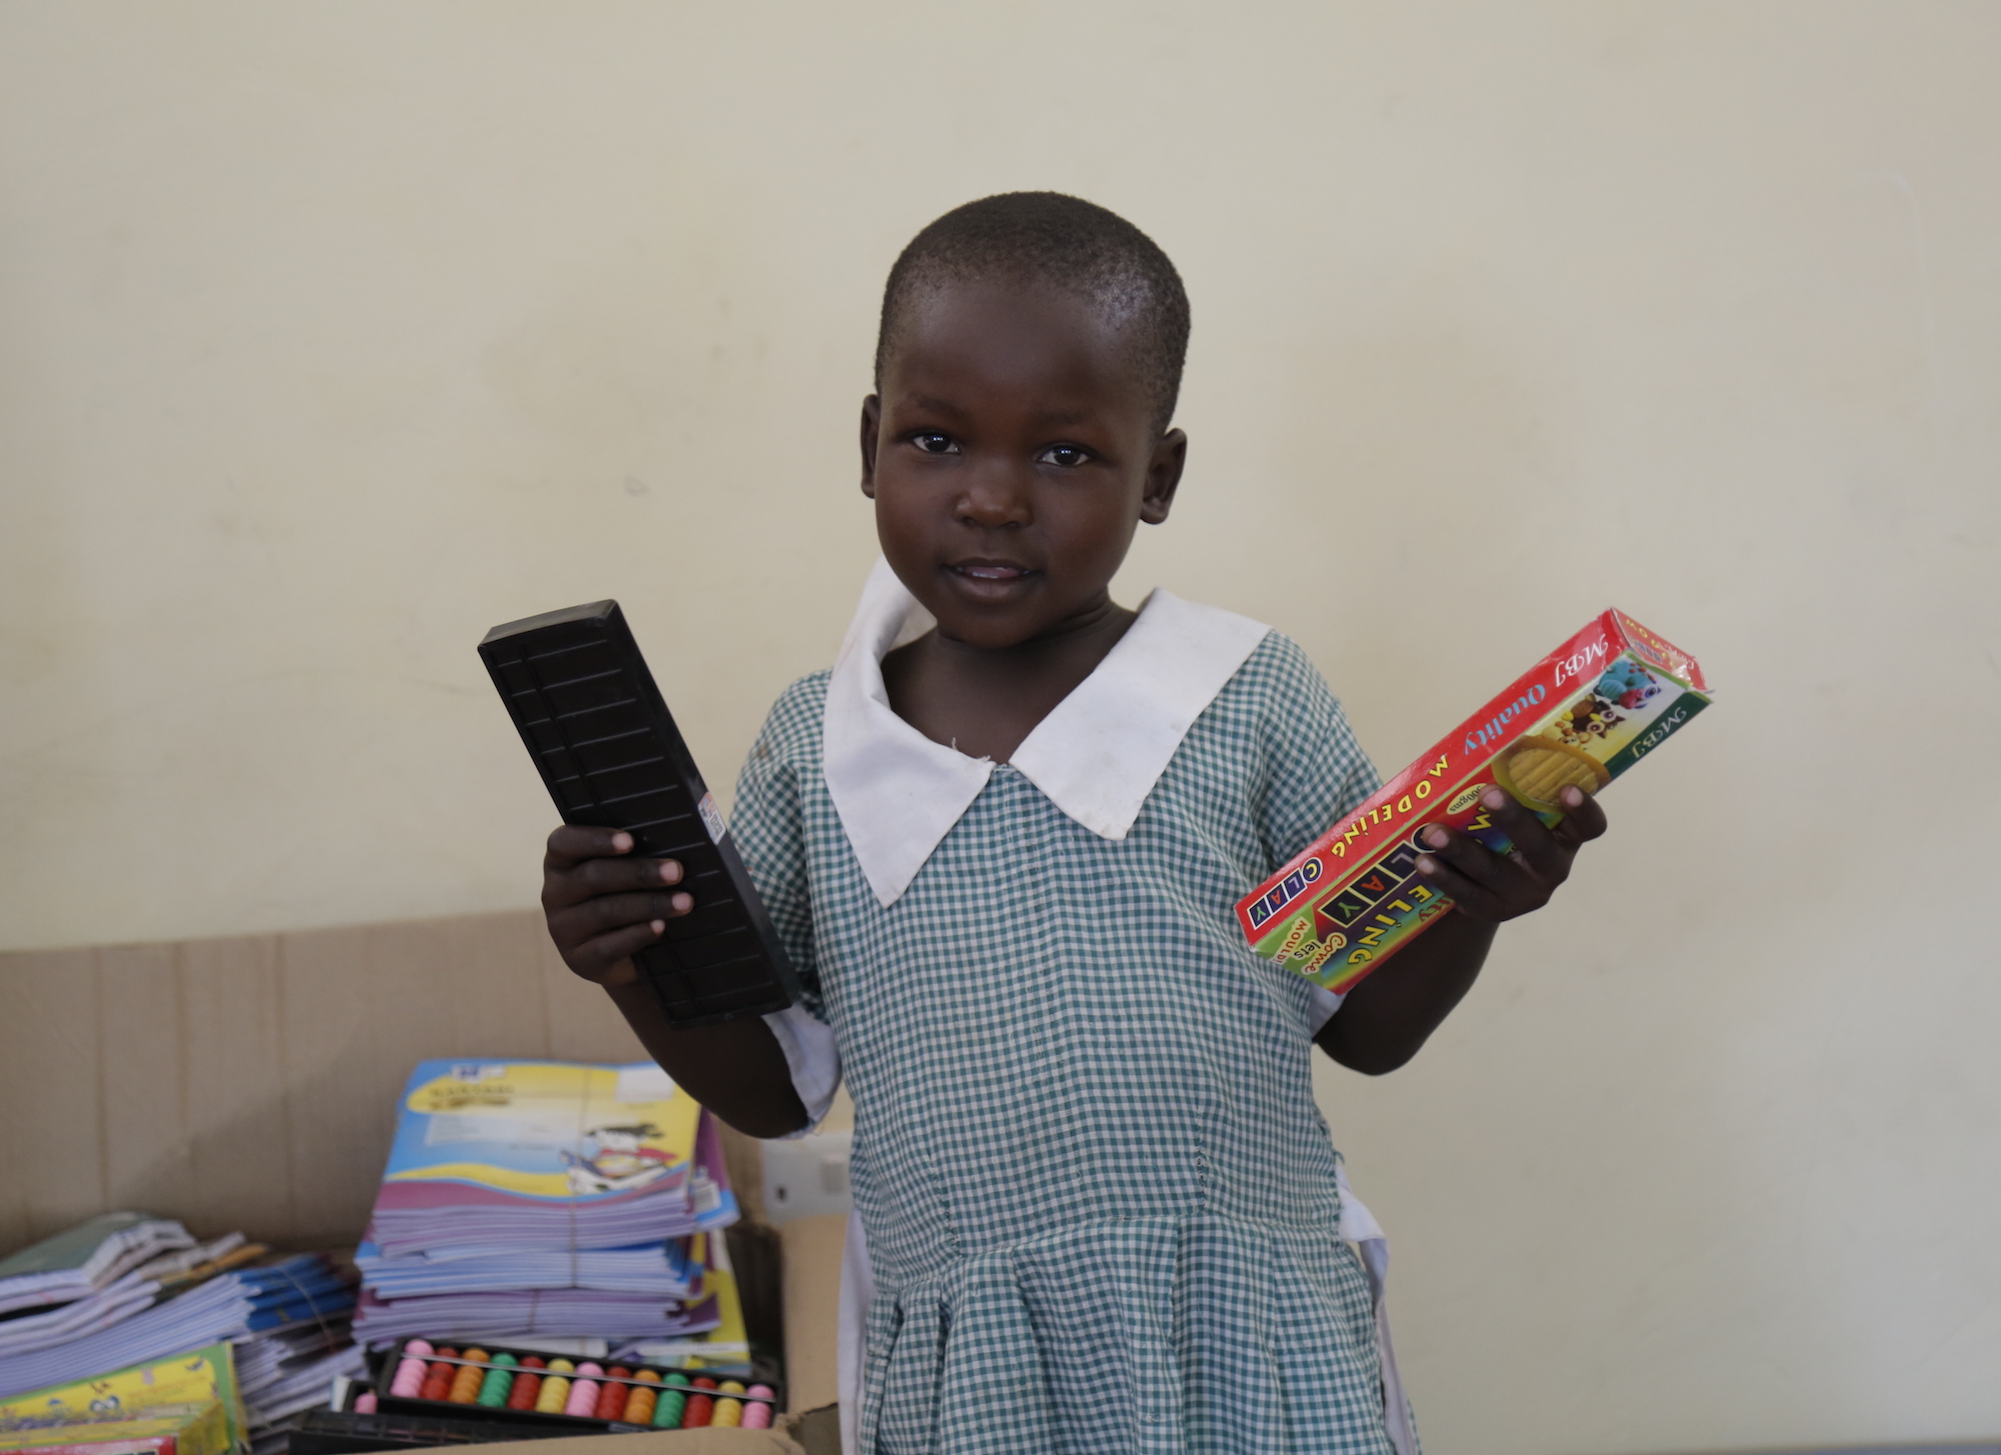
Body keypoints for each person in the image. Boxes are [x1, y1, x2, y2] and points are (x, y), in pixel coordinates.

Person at [539, 193, 1608, 1455]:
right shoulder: (817, 746)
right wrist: (627, 964)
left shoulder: (1248, 696)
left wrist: (1471, 904)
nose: (990, 498)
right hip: (976, 1376)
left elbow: (1371, 1028)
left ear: (1156, 476)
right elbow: (771, 1087)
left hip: (1253, 1347)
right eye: (936, 440)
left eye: (1062, 455)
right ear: (870, 443)